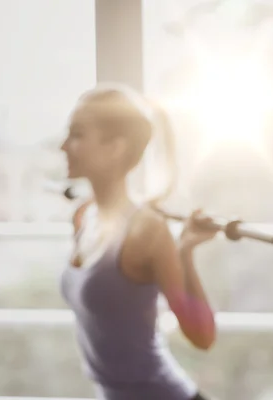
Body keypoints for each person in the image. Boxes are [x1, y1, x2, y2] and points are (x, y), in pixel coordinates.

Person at [59, 83, 216, 400]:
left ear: (115, 147)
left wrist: (183, 253)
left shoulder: (148, 230)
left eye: (76, 135)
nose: (63, 146)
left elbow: (202, 337)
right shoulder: (83, 216)